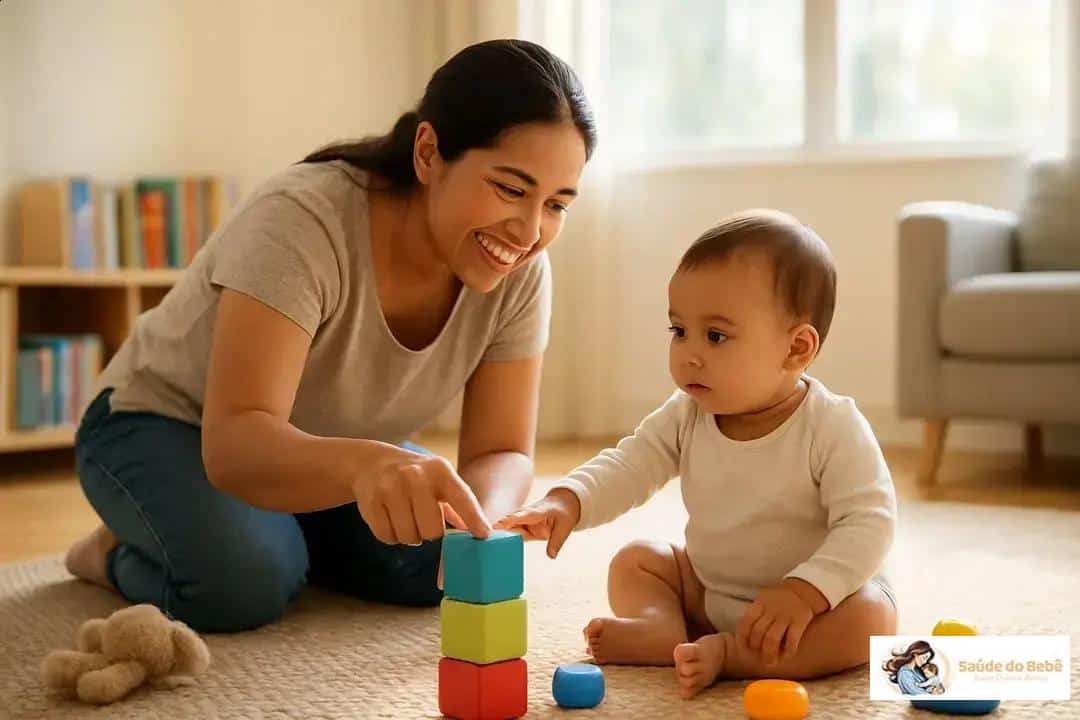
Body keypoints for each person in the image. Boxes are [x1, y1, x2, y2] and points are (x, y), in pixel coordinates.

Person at [64, 39, 595, 633]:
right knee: (244, 583)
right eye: (511, 188)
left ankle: (278, 532)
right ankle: (109, 553)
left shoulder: (521, 269)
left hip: (325, 452)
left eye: (556, 204)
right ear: (428, 153)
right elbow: (237, 440)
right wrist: (366, 468)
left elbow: (502, 450)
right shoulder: (303, 219)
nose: (528, 230)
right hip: (165, 425)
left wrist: (480, 530)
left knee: (435, 565)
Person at [498, 210, 898, 698]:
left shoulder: (832, 425)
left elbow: (870, 523)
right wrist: (567, 501)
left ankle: (733, 656)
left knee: (873, 619)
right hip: (710, 592)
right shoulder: (688, 413)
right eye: (678, 330)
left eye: (715, 336)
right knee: (637, 561)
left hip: (811, 609)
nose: (688, 353)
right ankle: (661, 628)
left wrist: (804, 591)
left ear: (795, 349)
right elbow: (630, 464)